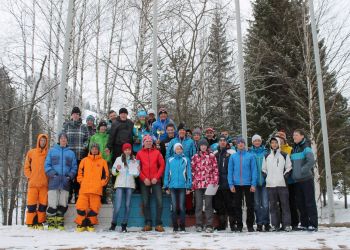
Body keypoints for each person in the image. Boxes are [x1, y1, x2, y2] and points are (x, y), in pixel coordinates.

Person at [45, 132, 77, 230]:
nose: (63, 140)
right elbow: (47, 165)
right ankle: (51, 223)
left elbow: (74, 167)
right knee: (52, 202)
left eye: (65, 138)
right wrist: (53, 174)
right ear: (59, 140)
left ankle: (59, 223)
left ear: (67, 140)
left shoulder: (71, 153)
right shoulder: (52, 151)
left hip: (65, 182)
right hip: (54, 181)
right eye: (61, 138)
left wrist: (69, 176)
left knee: (63, 203)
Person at [75, 143, 109, 232]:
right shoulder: (84, 160)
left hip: (96, 190)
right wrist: (81, 181)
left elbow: (106, 176)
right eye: (93, 149)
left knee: (94, 208)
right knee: (81, 206)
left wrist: (100, 184)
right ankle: (81, 224)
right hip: (84, 189)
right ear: (90, 150)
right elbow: (79, 173)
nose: (94, 150)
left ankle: (90, 224)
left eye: (96, 149)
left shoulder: (103, 162)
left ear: (98, 150)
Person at [262, 137, 292, 232]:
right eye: (272, 143)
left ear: (279, 144)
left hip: (282, 184)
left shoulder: (284, 155)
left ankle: (286, 225)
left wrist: (284, 176)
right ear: (270, 144)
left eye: (276, 143)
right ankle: (275, 225)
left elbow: (289, 167)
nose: (274, 144)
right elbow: (263, 169)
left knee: (285, 205)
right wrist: (267, 177)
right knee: (273, 206)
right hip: (270, 185)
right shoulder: (266, 156)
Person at [136, 135, 165, 232]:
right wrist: (144, 178)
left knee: (159, 202)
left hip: (155, 180)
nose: (148, 142)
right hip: (144, 181)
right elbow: (137, 168)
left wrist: (156, 178)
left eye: (150, 141)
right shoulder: (139, 153)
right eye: (146, 141)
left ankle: (158, 224)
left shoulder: (157, 152)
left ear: (152, 142)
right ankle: (148, 223)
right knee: (145, 202)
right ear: (143, 142)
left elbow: (162, 165)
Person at [228, 137, 257, 232]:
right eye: (239, 143)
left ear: (244, 144)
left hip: (248, 184)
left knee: (250, 205)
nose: (240, 144)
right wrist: (231, 184)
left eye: (242, 143)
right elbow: (230, 171)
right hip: (236, 184)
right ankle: (239, 225)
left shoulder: (250, 156)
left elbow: (254, 170)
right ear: (237, 145)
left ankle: (250, 225)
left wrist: (253, 184)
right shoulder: (233, 156)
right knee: (237, 205)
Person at [291, 129, 318, 232]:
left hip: (306, 179)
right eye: (294, 135)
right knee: (300, 203)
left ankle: (313, 224)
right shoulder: (294, 148)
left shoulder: (306, 147)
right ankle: (304, 223)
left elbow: (311, 161)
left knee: (309, 202)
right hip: (297, 181)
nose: (294, 137)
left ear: (302, 136)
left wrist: (301, 171)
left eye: (296, 135)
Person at [109, 143, 140, 232]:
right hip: (120, 184)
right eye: (126, 149)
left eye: (129, 149)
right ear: (123, 150)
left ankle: (124, 225)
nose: (127, 151)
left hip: (130, 185)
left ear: (131, 150)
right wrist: (117, 169)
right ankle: (113, 223)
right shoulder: (118, 159)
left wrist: (137, 170)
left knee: (127, 205)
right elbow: (114, 172)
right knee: (117, 206)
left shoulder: (134, 160)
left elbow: (136, 175)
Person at [63, 106, 89, 203]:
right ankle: (69, 195)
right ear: (71, 115)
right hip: (68, 157)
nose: (76, 116)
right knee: (69, 176)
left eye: (78, 114)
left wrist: (84, 147)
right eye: (74, 114)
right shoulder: (66, 126)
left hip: (79, 156)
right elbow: (62, 138)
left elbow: (87, 139)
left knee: (78, 177)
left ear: (79, 116)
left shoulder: (84, 127)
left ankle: (78, 195)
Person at [191, 139, 218, 233]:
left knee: (208, 205)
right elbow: (192, 170)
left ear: (207, 146)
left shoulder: (211, 156)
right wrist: (193, 182)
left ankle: (209, 225)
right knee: (198, 205)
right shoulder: (194, 157)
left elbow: (215, 169)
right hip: (198, 184)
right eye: (201, 145)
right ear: (199, 146)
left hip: (209, 184)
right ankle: (198, 224)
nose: (203, 147)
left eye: (205, 145)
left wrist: (215, 181)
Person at [164, 143, 192, 232]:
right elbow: (167, 173)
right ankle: (175, 226)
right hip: (172, 186)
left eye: (180, 149)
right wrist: (166, 186)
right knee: (174, 206)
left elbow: (189, 173)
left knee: (181, 206)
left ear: (182, 150)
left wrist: (188, 186)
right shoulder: (170, 160)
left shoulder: (186, 159)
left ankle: (182, 226)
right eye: (177, 149)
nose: (178, 150)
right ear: (174, 150)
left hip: (182, 186)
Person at [24, 134, 49, 229]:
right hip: (33, 184)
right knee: (31, 204)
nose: (43, 142)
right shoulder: (31, 153)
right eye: (41, 140)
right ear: (38, 141)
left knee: (43, 205)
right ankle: (30, 222)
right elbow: (26, 167)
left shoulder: (48, 154)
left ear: (46, 142)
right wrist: (30, 176)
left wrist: (48, 179)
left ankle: (39, 222)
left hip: (44, 184)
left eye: (44, 141)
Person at [276, 130, 299, 230]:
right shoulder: (274, 150)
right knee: (281, 203)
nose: (279, 140)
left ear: (284, 139)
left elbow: (292, 164)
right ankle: (284, 223)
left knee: (291, 202)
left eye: (281, 138)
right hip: (279, 181)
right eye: (277, 138)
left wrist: (288, 175)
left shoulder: (290, 149)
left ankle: (294, 222)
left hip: (289, 181)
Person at [213, 135, 236, 231]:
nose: (222, 142)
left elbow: (234, 169)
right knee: (219, 205)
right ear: (218, 142)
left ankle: (232, 224)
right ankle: (222, 224)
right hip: (217, 183)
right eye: (220, 140)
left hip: (228, 183)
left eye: (224, 140)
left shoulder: (231, 153)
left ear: (226, 142)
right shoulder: (215, 154)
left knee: (230, 204)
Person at [249, 134, 270, 232]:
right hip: (255, 183)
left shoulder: (266, 152)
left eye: (258, 140)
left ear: (261, 142)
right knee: (257, 204)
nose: (257, 142)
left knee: (265, 204)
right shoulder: (250, 153)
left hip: (265, 182)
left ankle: (266, 223)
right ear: (252, 142)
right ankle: (259, 223)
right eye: (255, 141)